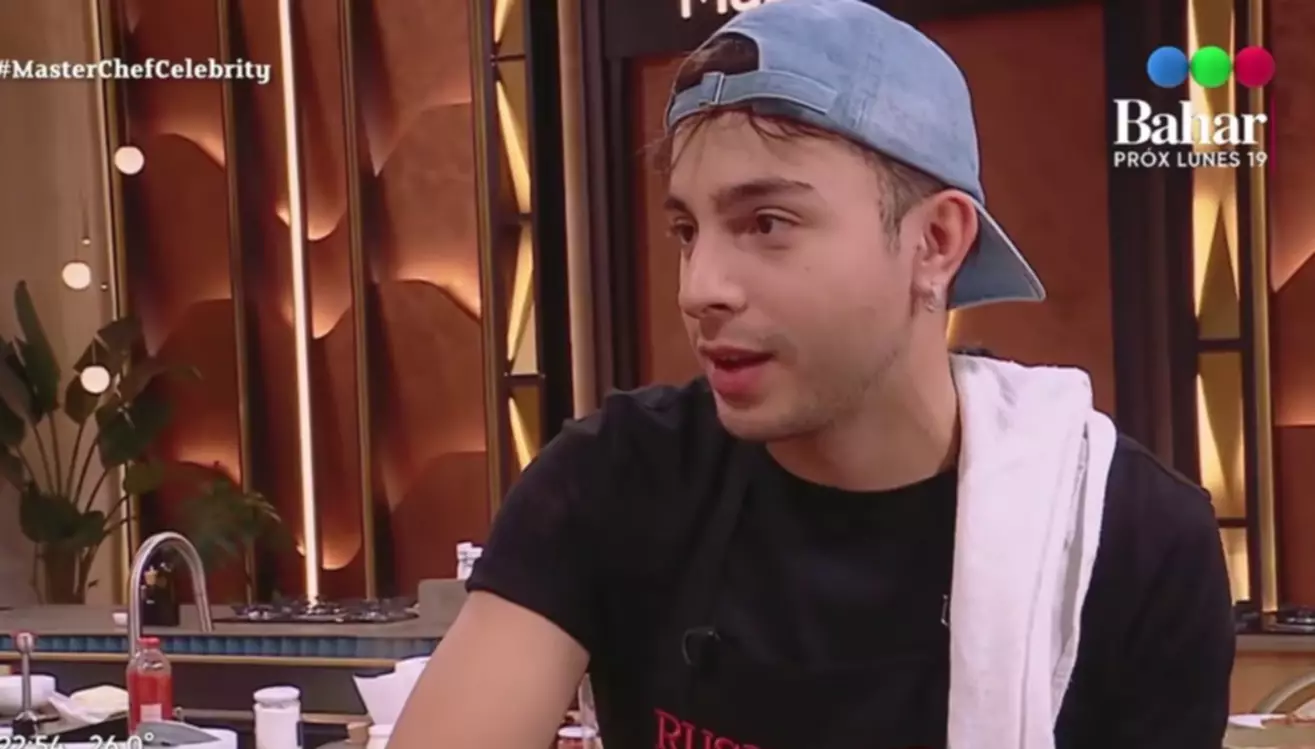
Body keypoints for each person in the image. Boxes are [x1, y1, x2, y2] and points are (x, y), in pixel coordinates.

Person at [389, 1, 1235, 747]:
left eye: (766, 222)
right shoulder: (615, 477)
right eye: (687, 230)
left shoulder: (1128, 538)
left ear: (934, 243)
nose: (699, 288)